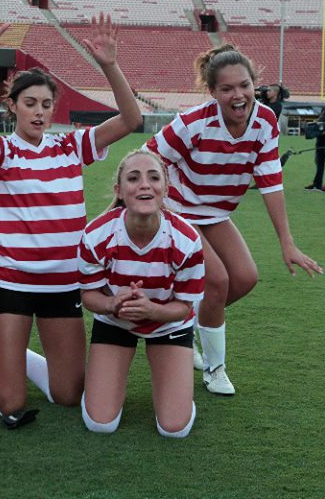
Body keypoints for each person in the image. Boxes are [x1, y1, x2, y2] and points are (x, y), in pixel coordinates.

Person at [0, 0, 142, 420]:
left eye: (46, 104)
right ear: (13, 107)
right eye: (30, 104)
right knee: (10, 404)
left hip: (64, 283)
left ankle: (1, 351)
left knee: (66, 395)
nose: (39, 112)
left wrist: (110, 66)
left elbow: (131, 120)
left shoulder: (70, 146)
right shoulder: (0, 151)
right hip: (13, 284)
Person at [146, 44, 322, 396]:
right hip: (179, 211)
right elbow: (147, 158)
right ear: (213, 93)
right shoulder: (194, 123)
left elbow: (270, 180)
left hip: (215, 213)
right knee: (218, 281)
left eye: (244, 85)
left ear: (255, 83)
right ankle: (214, 369)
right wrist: (141, 209)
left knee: (244, 278)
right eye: (226, 89)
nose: (238, 95)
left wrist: (287, 243)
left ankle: (177, 321)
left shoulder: (265, 121)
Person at [78, 149, 204, 438]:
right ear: (119, 191)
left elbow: (184, 307)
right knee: (100, 424)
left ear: (165, 189)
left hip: (169, 325)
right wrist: (112, 304)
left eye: (153, 177)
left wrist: (153, 311)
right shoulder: (96, 235)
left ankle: (178, 388)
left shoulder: (187, 241)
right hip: (115, 323)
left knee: (175, 429)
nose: (144, 184)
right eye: (133, 178)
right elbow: (89, 296)